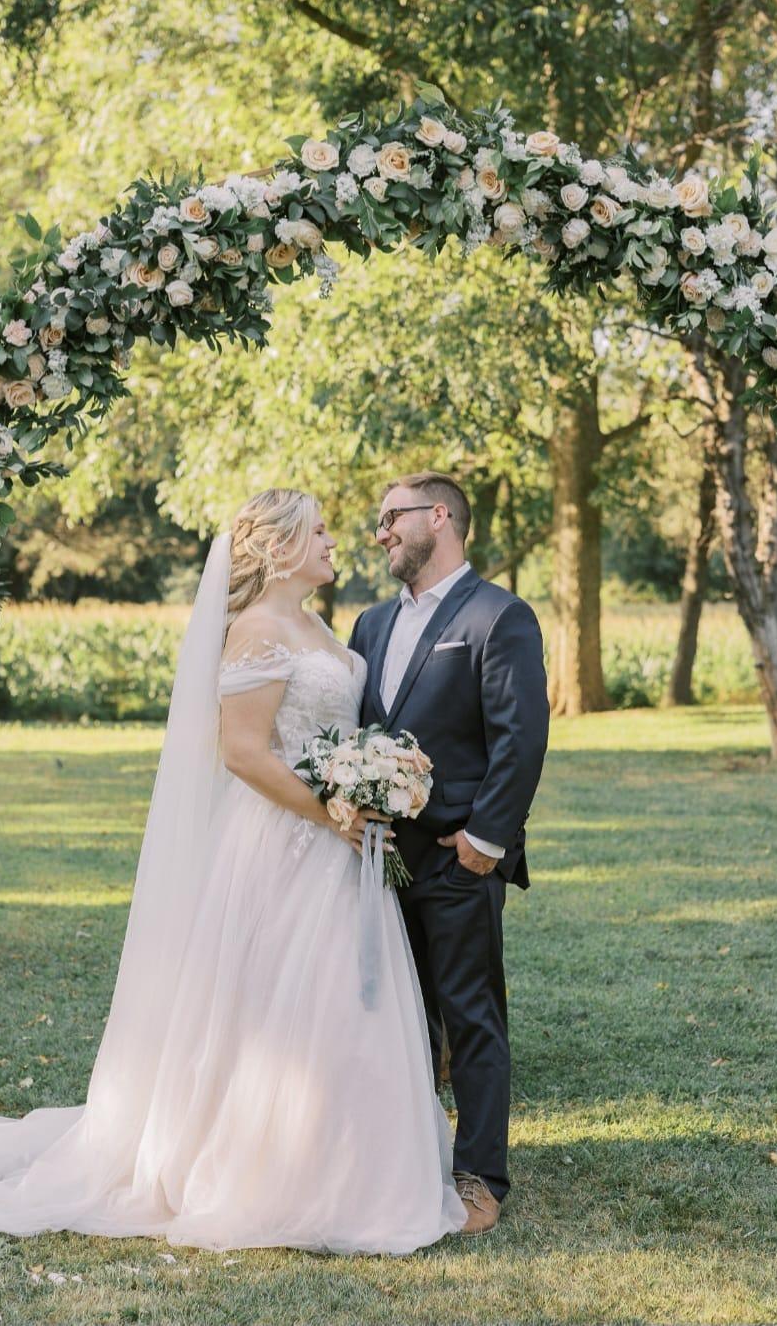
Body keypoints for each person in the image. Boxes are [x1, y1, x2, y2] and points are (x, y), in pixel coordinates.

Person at [0, 489, 464, 1255]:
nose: (334, 542)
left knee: (341, 1001)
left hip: (339, 849)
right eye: (319, 531)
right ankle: (266, 1169)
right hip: (284, 840)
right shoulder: (257, 628)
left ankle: (356, 1165)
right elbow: (243, 752)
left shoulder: (318, 625)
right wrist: (330, 811)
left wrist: (366, 782)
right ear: (279, 547)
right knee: (275, 1004)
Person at [349, 471, 549, 1234]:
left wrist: (483, 841)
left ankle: (479, 1176)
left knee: (470, 1018)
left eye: (390, 517)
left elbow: (520, 738)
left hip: (457, 858)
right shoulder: (370, 624)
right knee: (395, 1018)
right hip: (377, 861)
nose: (380, 533)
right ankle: (404, 1159)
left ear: (439, 516)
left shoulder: (500, 616)